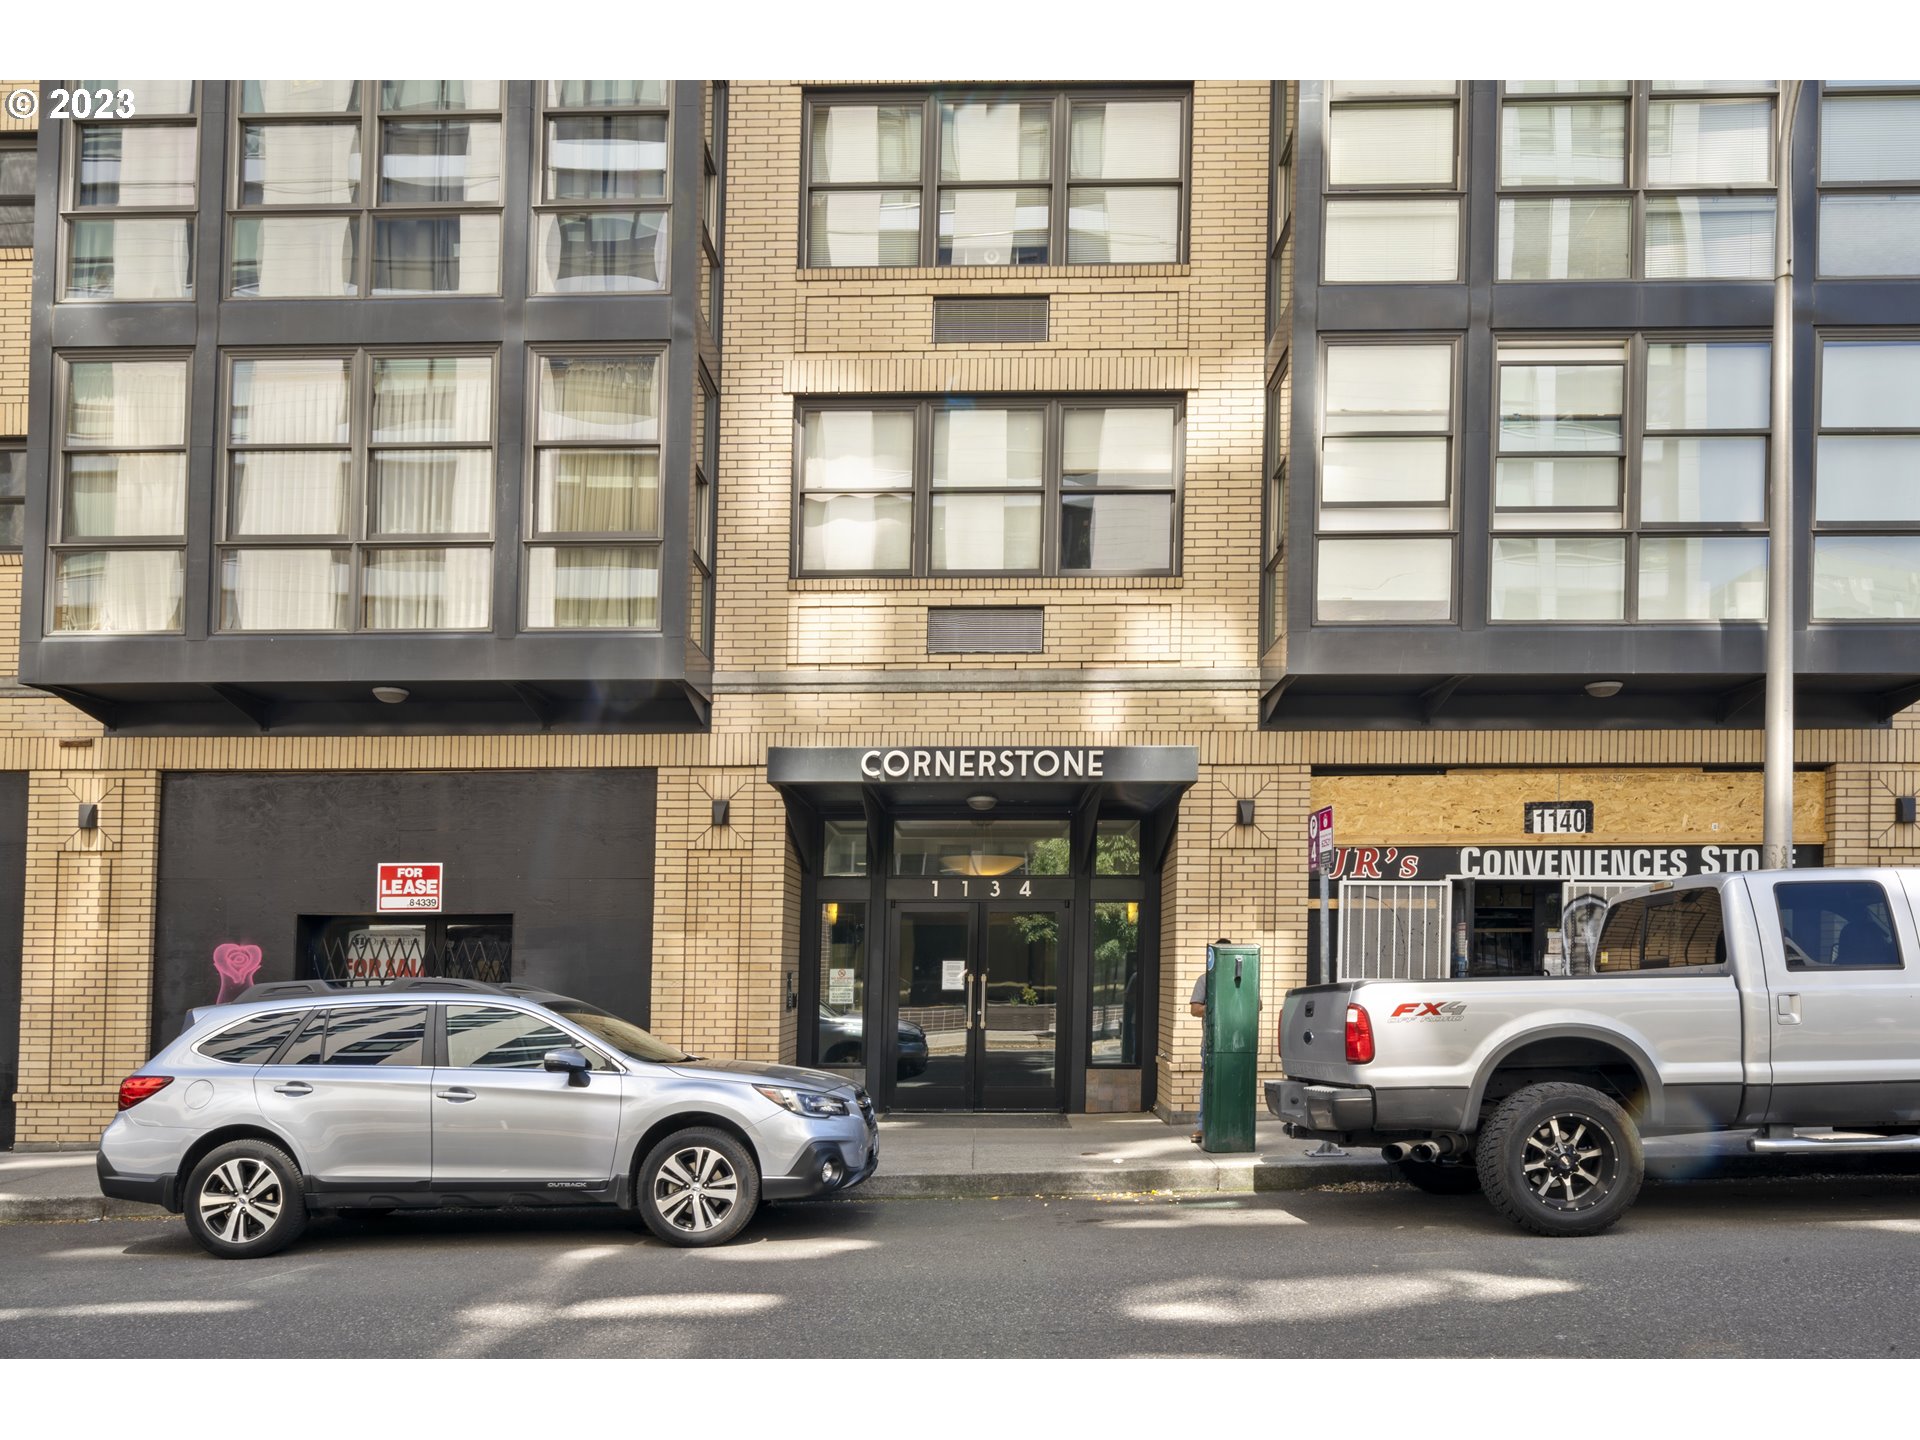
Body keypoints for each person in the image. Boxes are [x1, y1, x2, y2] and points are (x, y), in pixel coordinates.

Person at [1189, 939, 1231, 1144]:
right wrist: (1217, 1005)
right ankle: (1202, 1127)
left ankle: (1229, 1125)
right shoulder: (1205, 980)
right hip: (1211, 1043)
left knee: (1233, 1083)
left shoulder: (1242, 977)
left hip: (1237, 1044)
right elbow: (1195, 1009)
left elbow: (1256, 1005)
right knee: (1208, 1085)